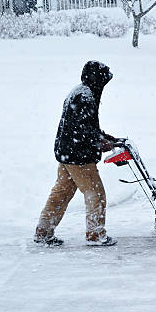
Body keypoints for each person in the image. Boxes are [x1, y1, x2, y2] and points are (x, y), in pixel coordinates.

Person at [35, 61, 118, 246]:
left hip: (67, 153)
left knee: (61, 193)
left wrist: (105, 137)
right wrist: (99, 143)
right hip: (78, 157)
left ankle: (43, 232)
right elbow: (81, 131)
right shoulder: (85, 97)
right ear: (96, 79)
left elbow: (85, 127)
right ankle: (96, 235)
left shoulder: (80, 91)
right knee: (95, 194)